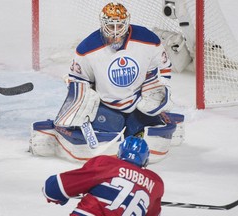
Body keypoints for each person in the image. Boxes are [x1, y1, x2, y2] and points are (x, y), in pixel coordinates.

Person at [30, 2, 184, 163]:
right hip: (106, 105)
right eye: (111, 26)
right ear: (102, 24)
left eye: (119, 26)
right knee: (110, 134)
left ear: (127, 22)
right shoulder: (87, 48)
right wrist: (81, 93)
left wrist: (160, 89)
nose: (115, 32)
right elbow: (78, 79)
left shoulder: (148, 40)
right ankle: (59, 132)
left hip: (139, 103)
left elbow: (163, 67)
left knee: (148, 135)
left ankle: (143, 122)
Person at [42, 136, 164, 216]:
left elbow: (52, 189)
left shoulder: (106, 164)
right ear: (145, 160)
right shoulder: (156, 184)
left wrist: (61, 197)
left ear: (120, 153)